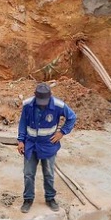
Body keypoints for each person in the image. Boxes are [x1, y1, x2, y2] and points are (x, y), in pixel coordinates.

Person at [17, 83, 76, 213]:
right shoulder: (27, 104)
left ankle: (50, 198)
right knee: (28, 174)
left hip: (48, 145)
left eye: (45, 101)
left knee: (49, 173)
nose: (42, 104)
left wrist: (62, 132)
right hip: (31, 144)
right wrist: (21, 140)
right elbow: (23, 122)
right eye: (40, 101)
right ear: (35, 97)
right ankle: (28, 199)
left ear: (50, 97)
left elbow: (72, 117)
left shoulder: (58, 105)